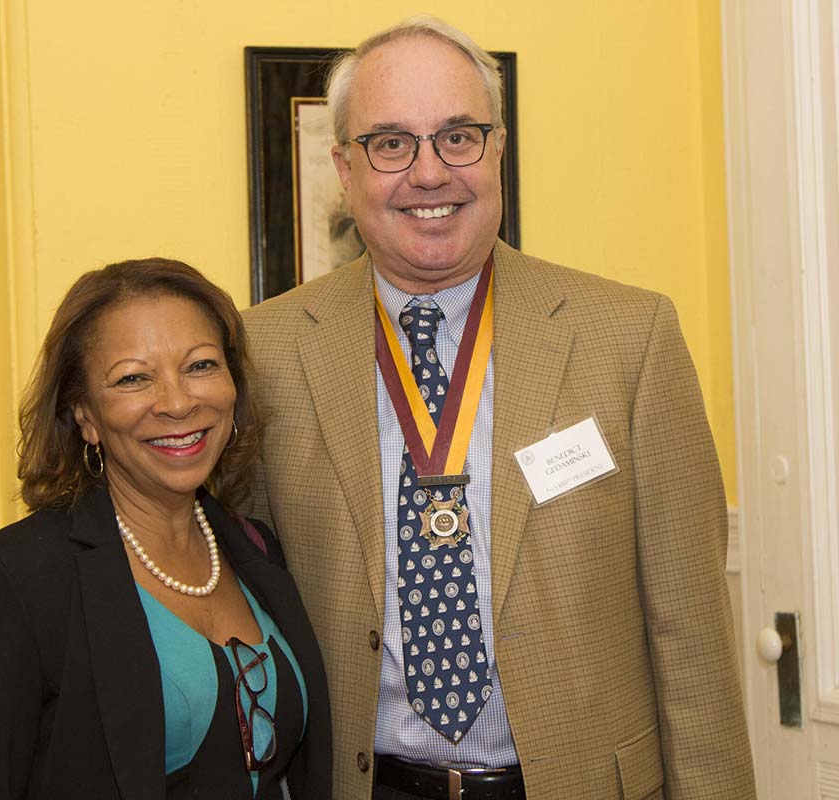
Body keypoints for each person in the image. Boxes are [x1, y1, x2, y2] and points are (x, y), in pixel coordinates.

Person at [241, 17, 756, 800]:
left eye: (458, 137)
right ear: (344, 169)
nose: (429, 173)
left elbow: (693, 634)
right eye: (391, 143)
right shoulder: (263, 352)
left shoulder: (630, 337)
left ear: (498, 149)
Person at [0, 259, 331, 799]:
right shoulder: (20, 578)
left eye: (200, 365)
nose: (178, 402)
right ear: (85, 415)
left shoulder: (257, 549)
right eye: (133, 378)